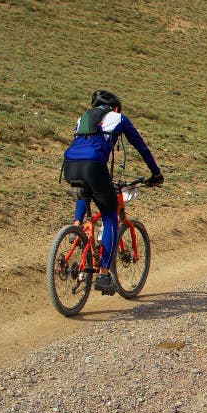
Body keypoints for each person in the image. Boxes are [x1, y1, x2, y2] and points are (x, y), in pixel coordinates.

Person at [62, 90, 164, 294]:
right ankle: (104, 274)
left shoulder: (82, 118)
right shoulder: (118, 118)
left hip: (70, 165)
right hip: (94, 166)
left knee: (86, 189)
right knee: (109, 218)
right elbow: (141, 146)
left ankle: (76, 227)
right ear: (115, 107)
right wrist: (156, 174)